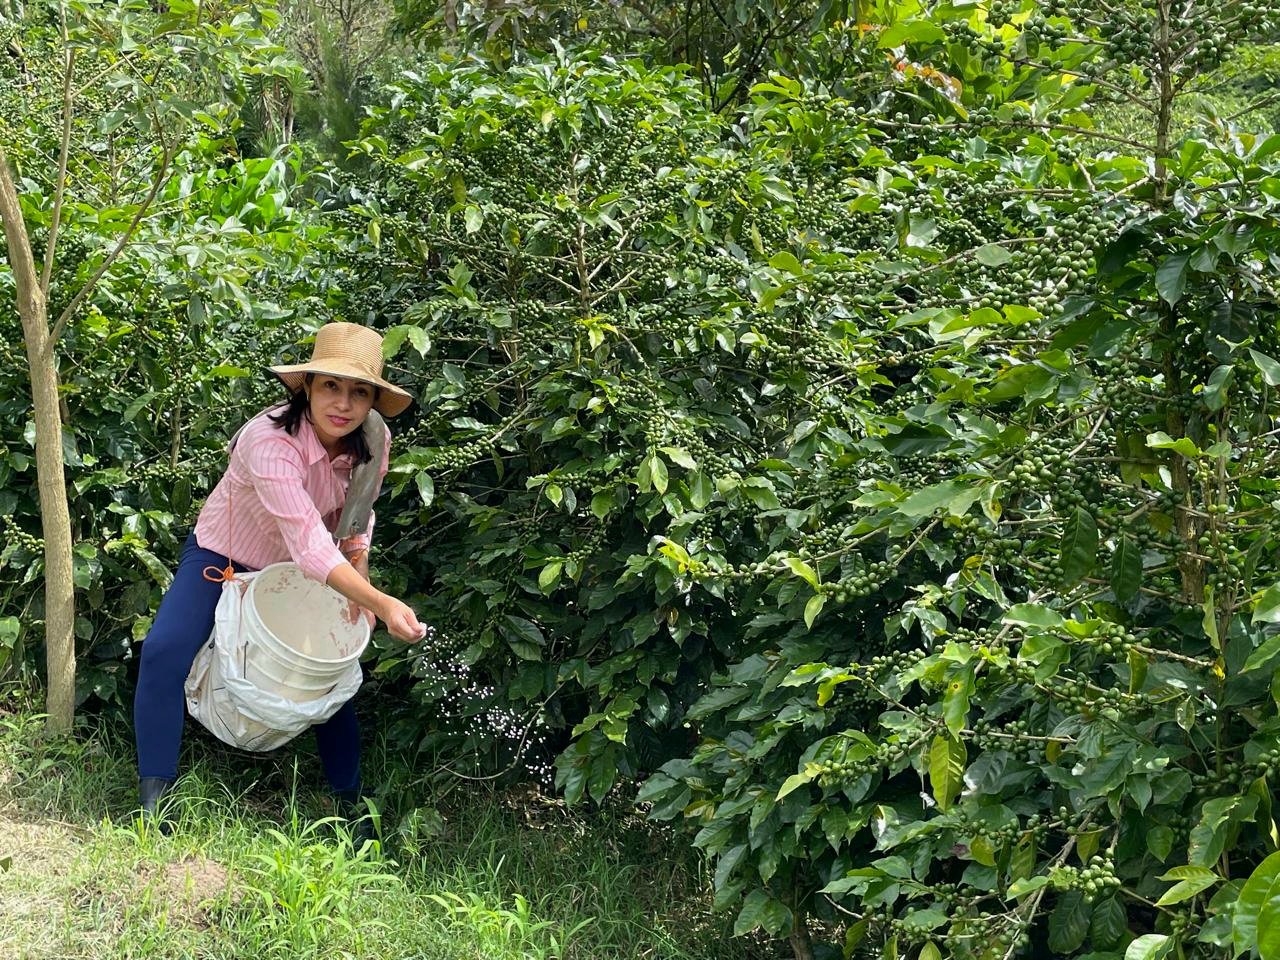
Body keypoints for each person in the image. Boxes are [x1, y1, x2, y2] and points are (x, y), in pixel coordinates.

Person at [132, 322, 425, 829]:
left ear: (373, 401)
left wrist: (359, 589)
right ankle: (153, 799)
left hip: (298, 572)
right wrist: (380, 601)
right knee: (165, 651)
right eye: (330, 385)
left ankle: (352, 805)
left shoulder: (373, 441)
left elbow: (356, 522)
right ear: (306, 386)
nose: (343, 403)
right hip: (224, 556)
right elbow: (309, 541)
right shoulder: (269, 440)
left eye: (359, 392)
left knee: (328, 673)